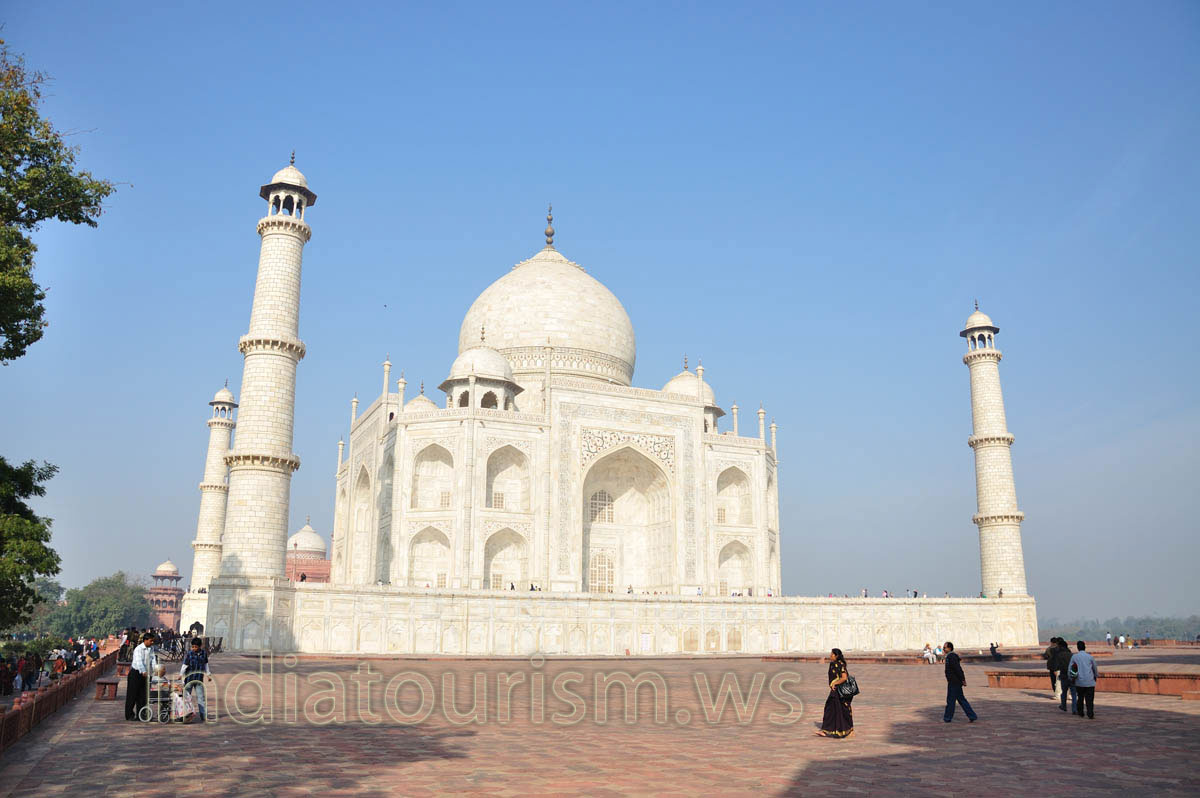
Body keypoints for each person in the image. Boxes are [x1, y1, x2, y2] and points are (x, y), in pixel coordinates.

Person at [815, 648, 854, 738]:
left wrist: (835, 683)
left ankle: (848, 729)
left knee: (842, 710)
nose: (830, 656)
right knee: (830, 709)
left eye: (832, 655)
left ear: (836, 656)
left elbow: (844, 677)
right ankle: (826, 730)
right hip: (835, 690)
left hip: (840, 691)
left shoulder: (840, 665)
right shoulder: (832, 664)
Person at [942, 641, 977, 722]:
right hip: (955, 682)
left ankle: (947, 718)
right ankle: (972, 716)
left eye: (945, 648)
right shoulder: (950, 656)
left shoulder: (952, 657)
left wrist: (963, 679)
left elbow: (958, 669)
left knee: (951, 700)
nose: (943, 649)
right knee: (961, 700)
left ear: (949, 648)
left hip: (954, 682)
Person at [126, 632, 157, 721]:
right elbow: (139, 661)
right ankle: (129, 715)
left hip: (146, 674)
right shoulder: (138, 649)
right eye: (151, 641)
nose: (152, 643)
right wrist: (143, 671)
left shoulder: (151, 649)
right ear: (145, 640)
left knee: (143, 695)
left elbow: (153, 660)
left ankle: (142, 714)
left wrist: (155, 670)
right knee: (132, 695)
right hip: (136, 673)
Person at [180, 637, 212, 722]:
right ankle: (185, 714)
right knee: (186, 697)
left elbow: (206, 665)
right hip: (189, 679)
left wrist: (208, 674)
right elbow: (185, 665)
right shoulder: (189, 654)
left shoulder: (204, 654)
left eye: (195, 647)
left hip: (199, 679)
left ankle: (203, 715)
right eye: (192, 646)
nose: (194, 648)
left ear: (200, 646)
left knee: (201, 698)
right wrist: (181, 674)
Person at [1069, 641, 1099, 719]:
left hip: (1079, 681)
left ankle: (1081, 712)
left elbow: (1070, 668)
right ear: (1085, 647)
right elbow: (1094, 668)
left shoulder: (1074, 657)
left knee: (1080, 697)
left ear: (1078, 648)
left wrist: (1070, 677)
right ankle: (1090, 713)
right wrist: (1096, 676)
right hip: (1090, 681)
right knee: (1090, 699)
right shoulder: (1090, 657)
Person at [1053, 638, 1076, 713]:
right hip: (1071, 675)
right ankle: (1074, 709)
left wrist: (1055, 670)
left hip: (1063, 675)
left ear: (1060, 647)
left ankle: (1064, 706)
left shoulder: (1059, 655)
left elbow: (1057, 665)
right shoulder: (1071, 654)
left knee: (1064, 692)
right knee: (1073, 692)